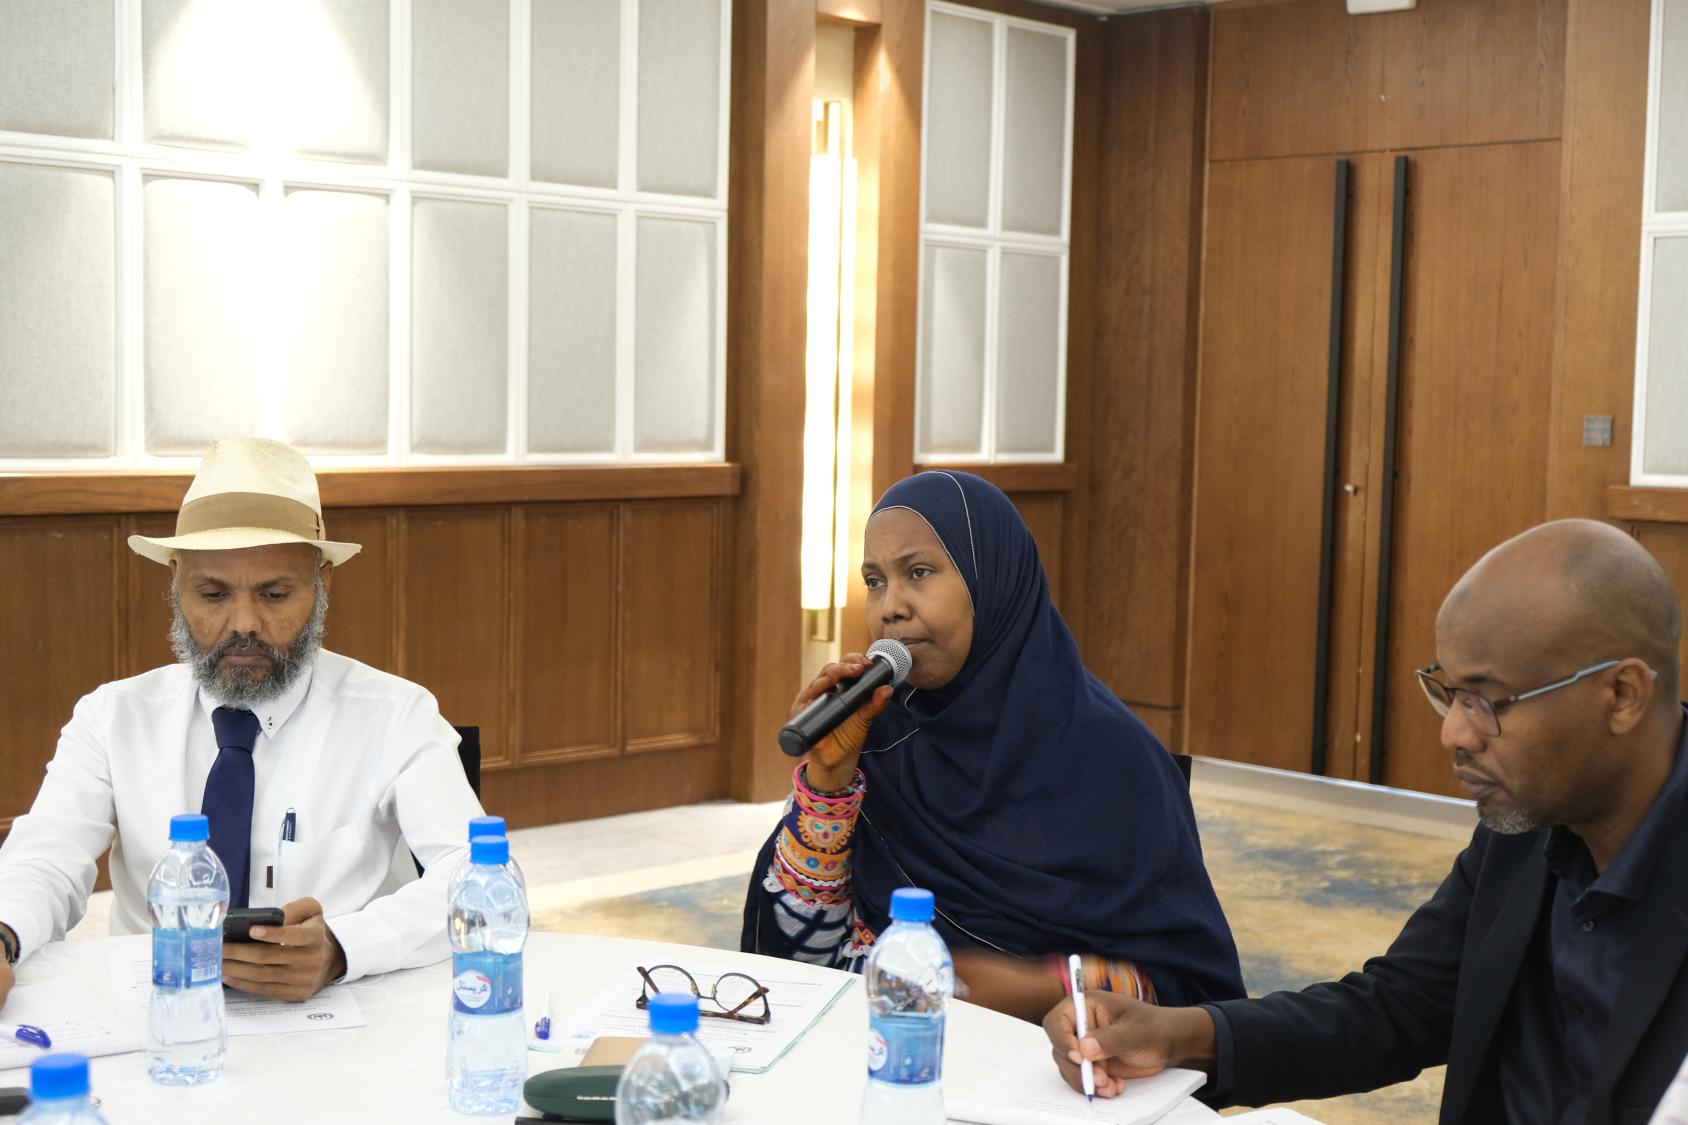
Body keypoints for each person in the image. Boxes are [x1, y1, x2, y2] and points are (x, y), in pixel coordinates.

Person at [1043, 519, 1688, 1123]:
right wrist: (1177, 1034)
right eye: (1447, 693)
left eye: (1485, 701)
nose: (1454, 733)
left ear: (1623, 695)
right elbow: (1399, 1007)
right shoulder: (1527, 829)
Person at [741, 470, 1244, 1021]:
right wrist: (828, 781)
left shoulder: (1113, 758)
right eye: (875, 580)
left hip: (1049, 1075)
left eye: (919, 572)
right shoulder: (876, 734)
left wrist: (1043, 987)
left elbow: (1187, 991)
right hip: (880, 1053)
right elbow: (793, 964)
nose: (890, 607)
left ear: (993, 580)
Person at [0, 438, 484, 1008]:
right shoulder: (112, 717)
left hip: (342, 1019)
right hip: (158, 1016)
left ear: (322, 583)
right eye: (213, 593)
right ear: (175, 583)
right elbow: (46, 859)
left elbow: (475, 876)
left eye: (275, 594)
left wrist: (341, 947)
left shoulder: (397, 715)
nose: (245, 623)